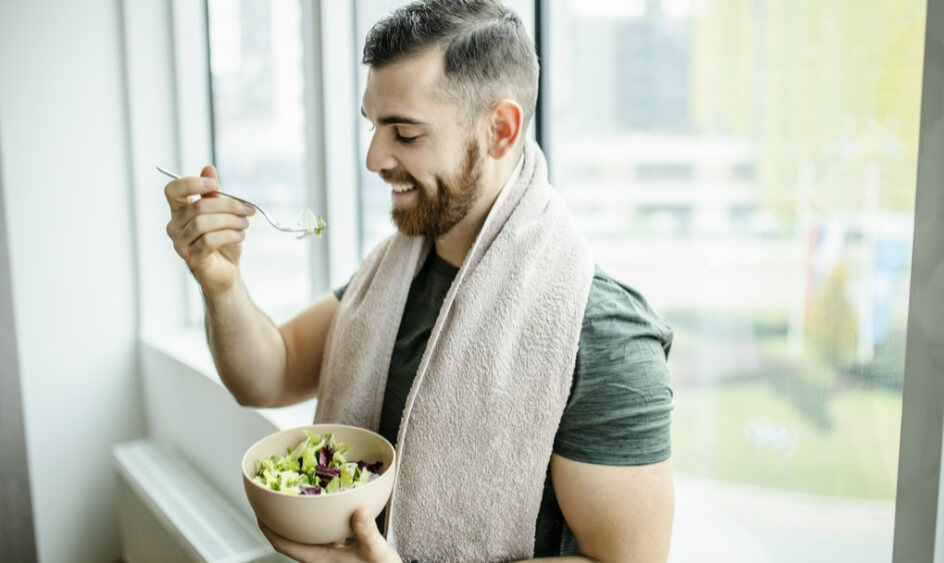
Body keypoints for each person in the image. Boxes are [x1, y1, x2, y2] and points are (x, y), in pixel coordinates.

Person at [163, 1, 674, 561]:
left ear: (500, 130)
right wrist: (219, 280)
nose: (374, 157)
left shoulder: (603, 335)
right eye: (374, 125)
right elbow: (271, 373)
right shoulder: (394, 271)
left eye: (404, 132)